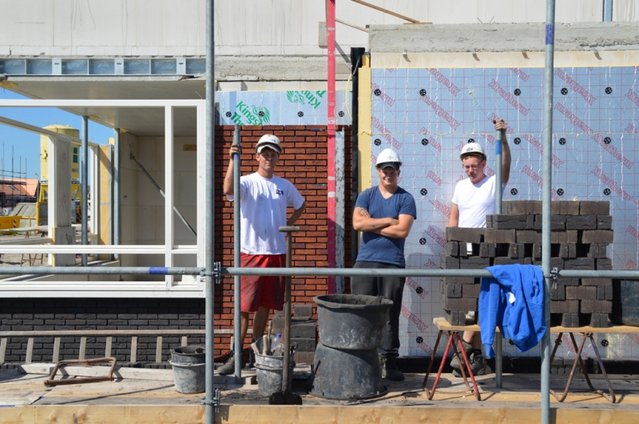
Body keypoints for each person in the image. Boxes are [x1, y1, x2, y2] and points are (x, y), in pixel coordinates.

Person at [218, 133, 305, 375]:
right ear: (257, 156)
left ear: (278, 156)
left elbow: (301, 204)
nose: (269, 156)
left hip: (277, 253)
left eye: (273, 152)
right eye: (264, 152)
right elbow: (227, 189)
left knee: (265, 305)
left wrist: (289, 225)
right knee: (244, 307)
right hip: (251, 253)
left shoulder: (284, 185)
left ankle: (256, 351)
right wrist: (233, 160)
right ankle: (236, 354)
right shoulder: (246, 181)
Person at [448, 119, 511, 376]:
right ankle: (469, 354)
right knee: (471, 301)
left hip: (489, 247)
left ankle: (464, 351)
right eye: (466, 166)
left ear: (484, 163)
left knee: (482, 300)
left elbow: (505, 164)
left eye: (474, 166)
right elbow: (454, 216)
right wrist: (452, 243)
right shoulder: (460, 187)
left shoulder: (494, 183)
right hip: (467, 249)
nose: (470, 171)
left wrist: (502, 136)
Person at [351, 148, 416, 381]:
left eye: (392, 170)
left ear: (398, 171)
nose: (388, 174)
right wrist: (388, 220)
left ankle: (389, 359)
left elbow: (402, 230)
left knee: (390, 312)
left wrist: (372, 223)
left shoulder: (405, 198)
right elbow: (357, 224)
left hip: (392, 265)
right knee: (362, 312)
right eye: (384, 169)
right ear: (378, 171)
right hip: (365, 263)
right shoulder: (366, 195)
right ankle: (363, 358)